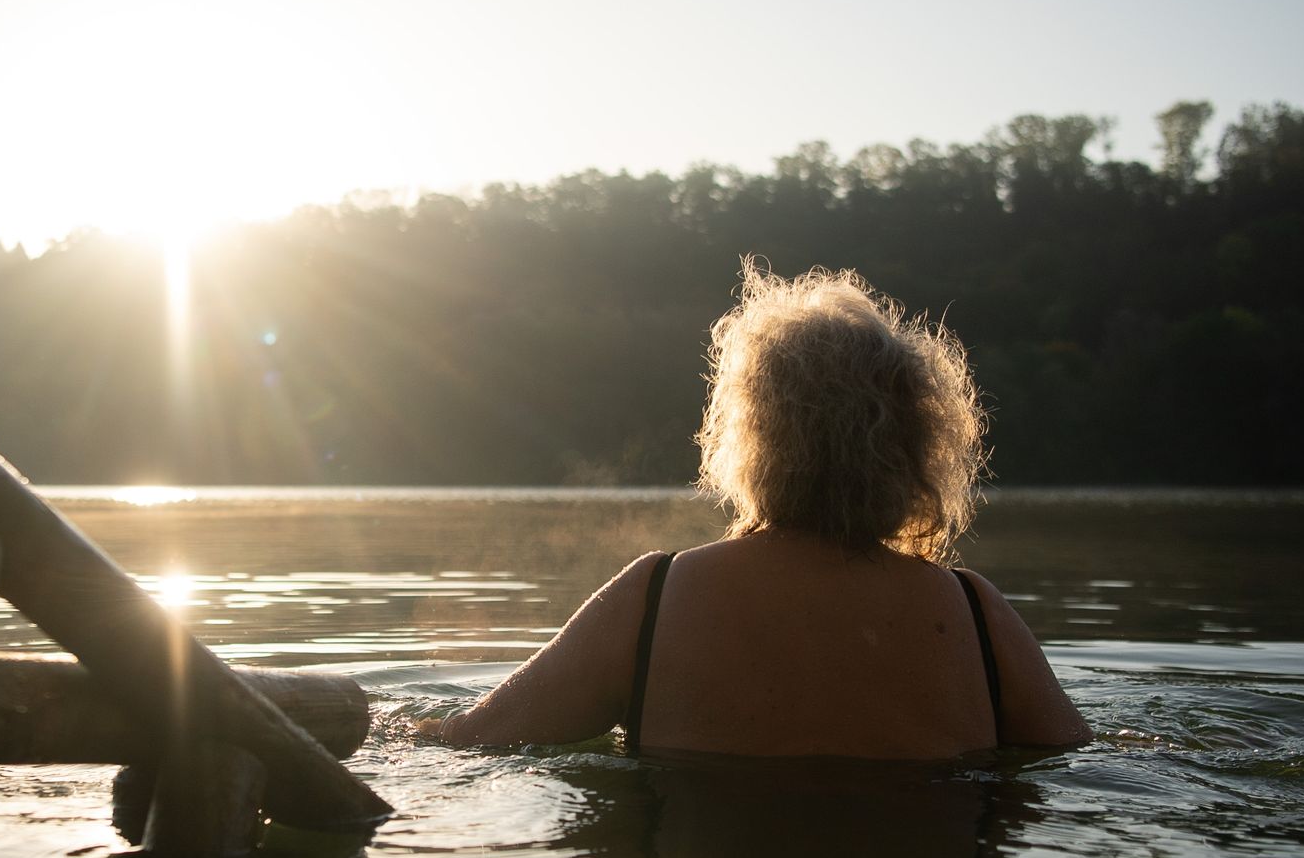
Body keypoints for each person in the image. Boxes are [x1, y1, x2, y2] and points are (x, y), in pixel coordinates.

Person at [431, 263, 1089, 758]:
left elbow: (468, 744)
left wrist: (410, 725)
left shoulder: (654, 599)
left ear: (751, 438)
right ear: (918, 447)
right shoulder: (976, 618)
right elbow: (1088, 766)